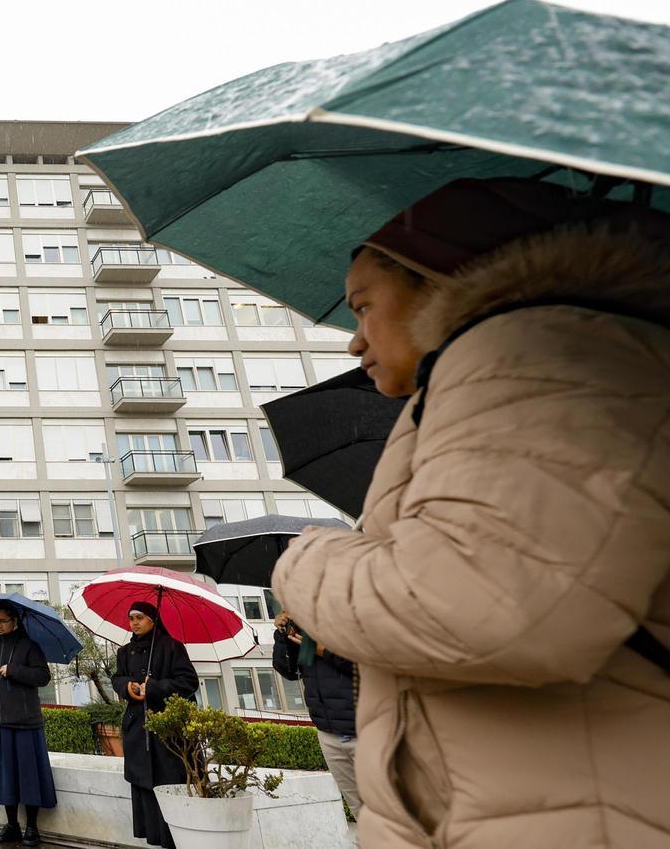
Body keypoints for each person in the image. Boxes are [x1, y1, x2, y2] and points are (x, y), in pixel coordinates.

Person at [272, 177, 670, 849]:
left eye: (364, 306)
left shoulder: (529, 355)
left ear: (436, 278)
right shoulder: (524, 364)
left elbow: (484, 604)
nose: (353, 340)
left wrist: (304, 560)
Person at [0, 600, 57, 846]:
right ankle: (12, 825)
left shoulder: (30, 646)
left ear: (14, 621)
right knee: (5, 775)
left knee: (28, 775)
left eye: (3, 621)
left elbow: (43, 676)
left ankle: (32, 826)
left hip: (25, 721)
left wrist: (16, 670)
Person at [111, 599, 198, 848]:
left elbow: (188, 682)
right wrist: (127, 687)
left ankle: (174, 841)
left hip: (167, 735)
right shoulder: (124, 652)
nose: (134, 623)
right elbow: (117, 678)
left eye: (139, 617)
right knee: (145, 787)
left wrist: (155, 688)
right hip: (138, 730)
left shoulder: (172, 647)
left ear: (152, 619)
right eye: (131, 618)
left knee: (169, 785)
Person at [272, 612, 358, 818]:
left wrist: (325, 651)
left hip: (365, 730)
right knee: (358, 808)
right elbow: (290, 671)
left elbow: (371, 666)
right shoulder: (307, 628)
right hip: (328, 732)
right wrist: (283, 634)